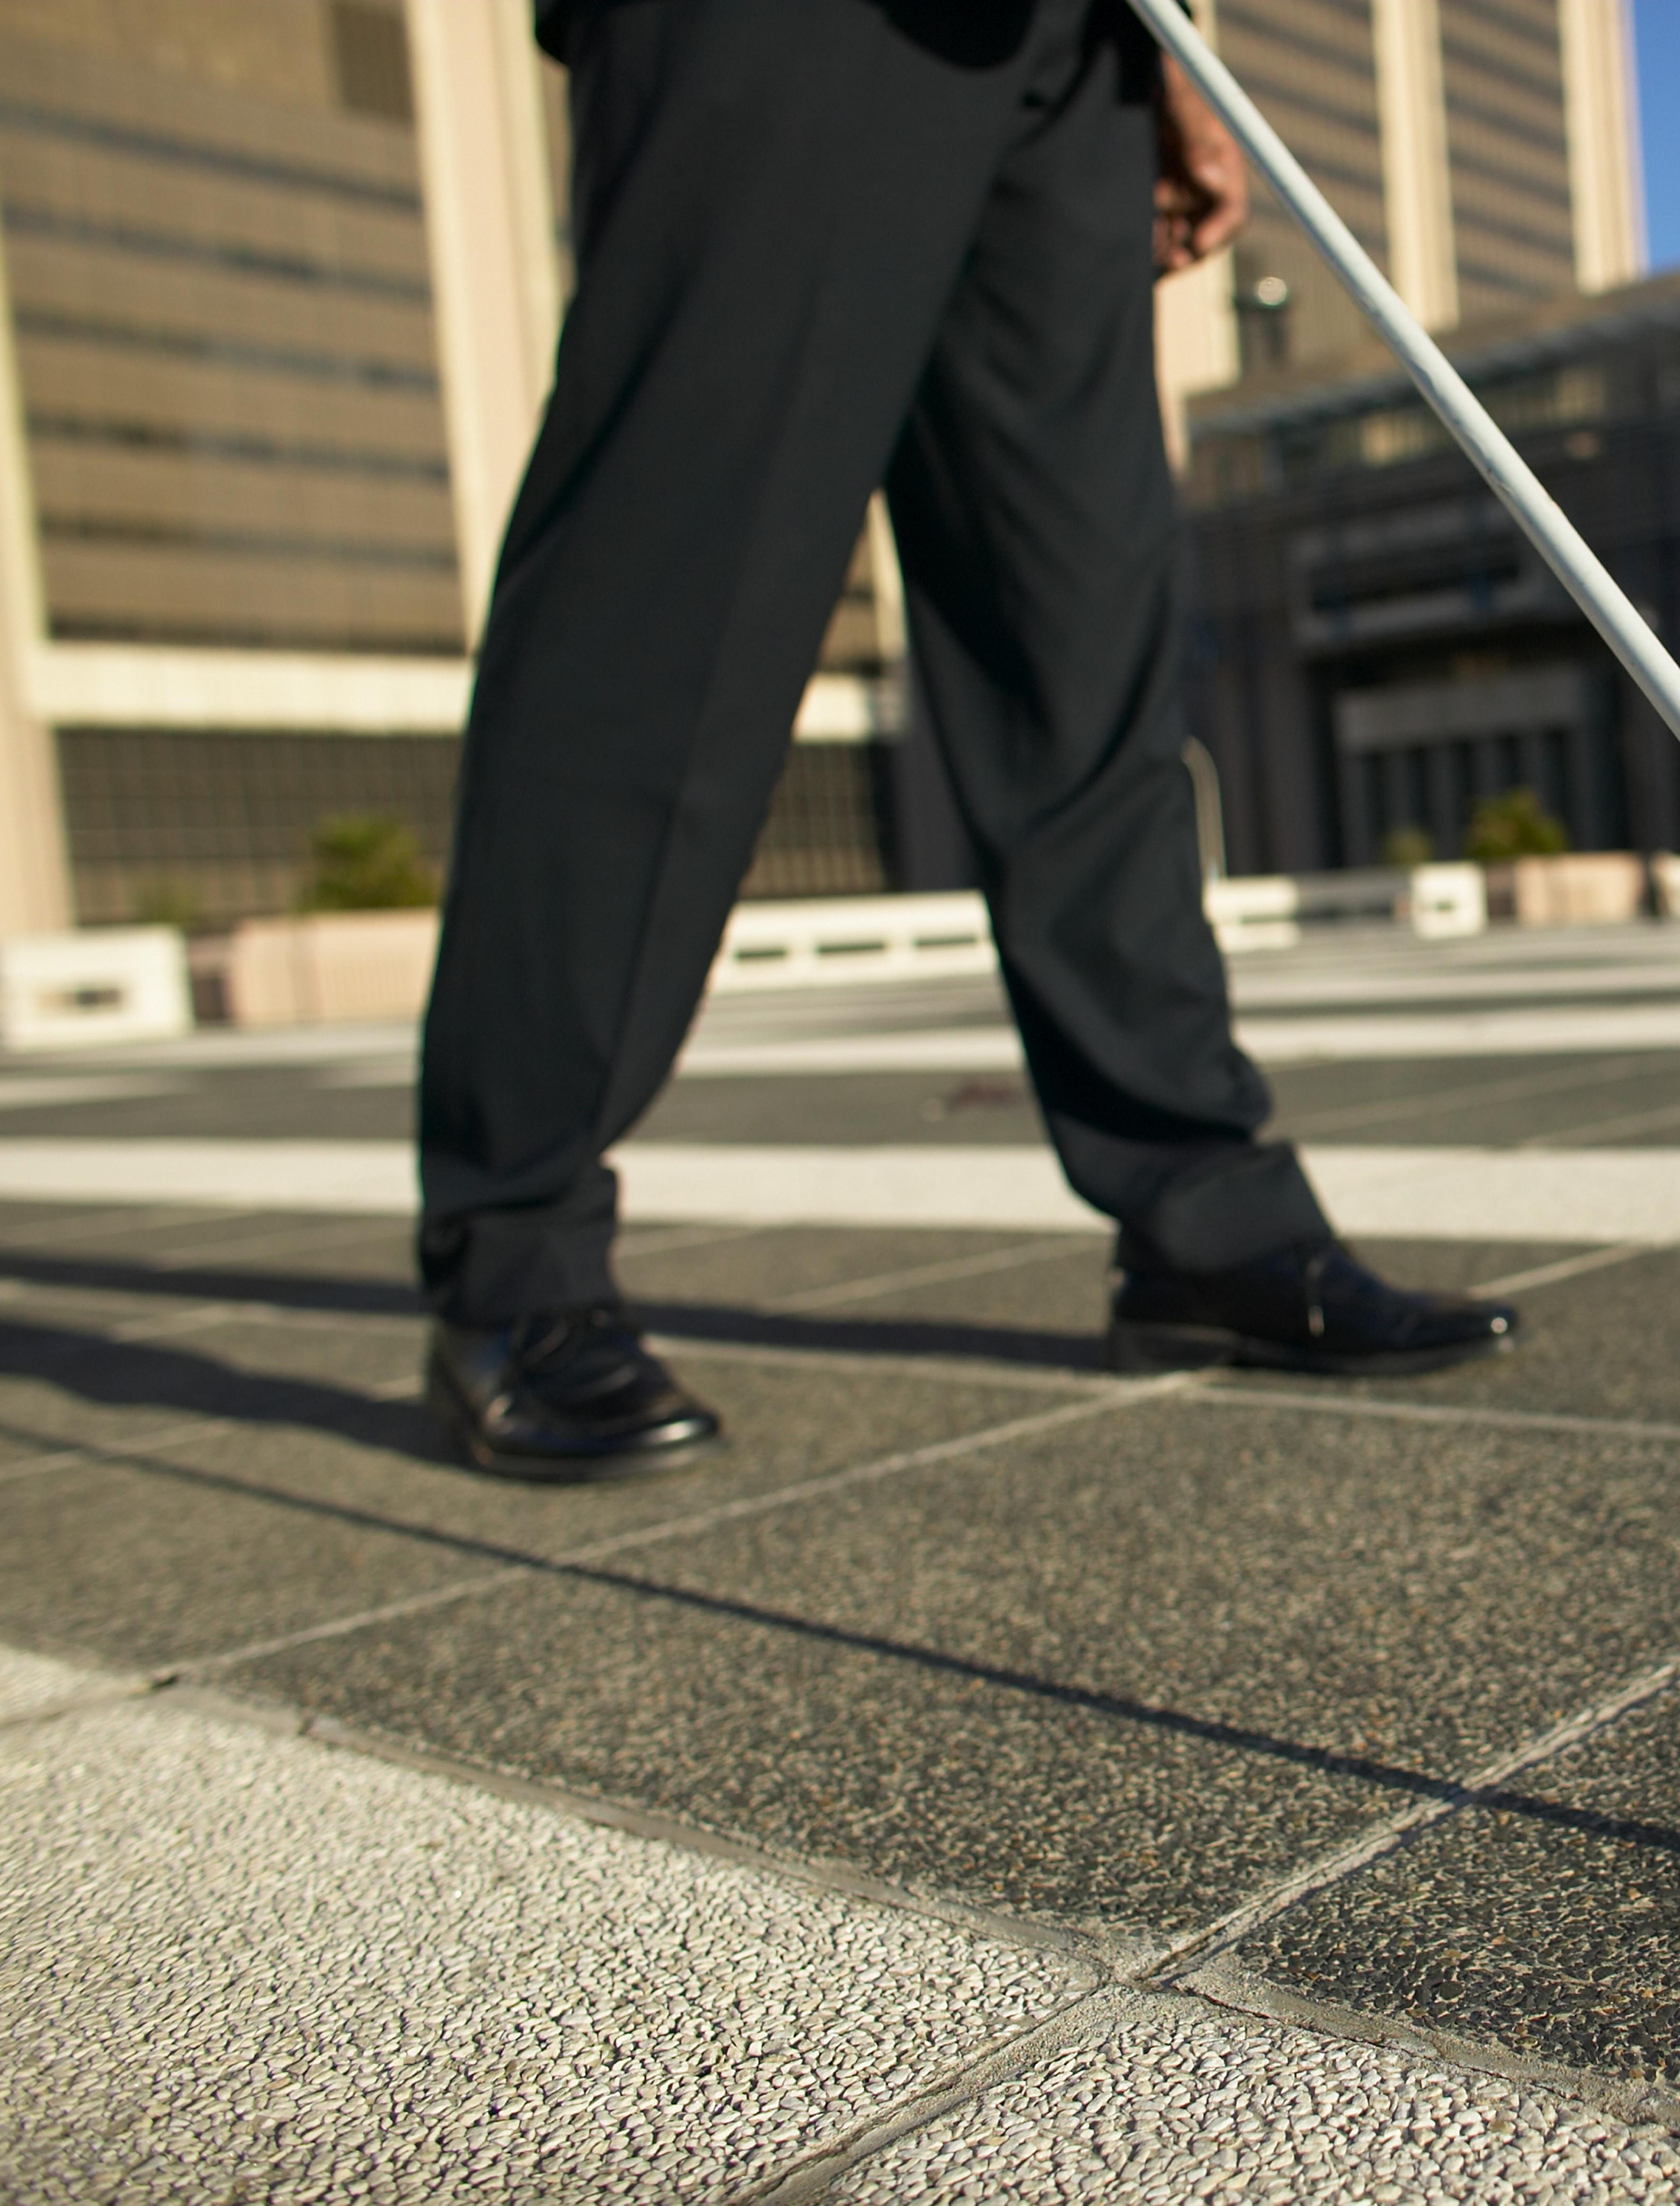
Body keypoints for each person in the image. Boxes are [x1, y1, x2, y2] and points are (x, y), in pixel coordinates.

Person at [418, 0, 1517, 1481]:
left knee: (1080, 633)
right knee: (676, 595)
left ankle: (1198, 1210)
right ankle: (516, 1256)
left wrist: (1173, 49)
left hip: (1066, 44)